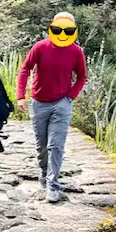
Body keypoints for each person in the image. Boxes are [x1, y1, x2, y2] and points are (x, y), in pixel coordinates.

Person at [16, 11, 87, 203]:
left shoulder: (76, 52)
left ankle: (53, 185)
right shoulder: (40, 47)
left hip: (61, 104)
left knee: (56, 145)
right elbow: (25, 69)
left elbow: (82, 77)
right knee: (42, 147)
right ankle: (45, 173)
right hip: (39, 103)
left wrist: (70, 97)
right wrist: (21, 96)